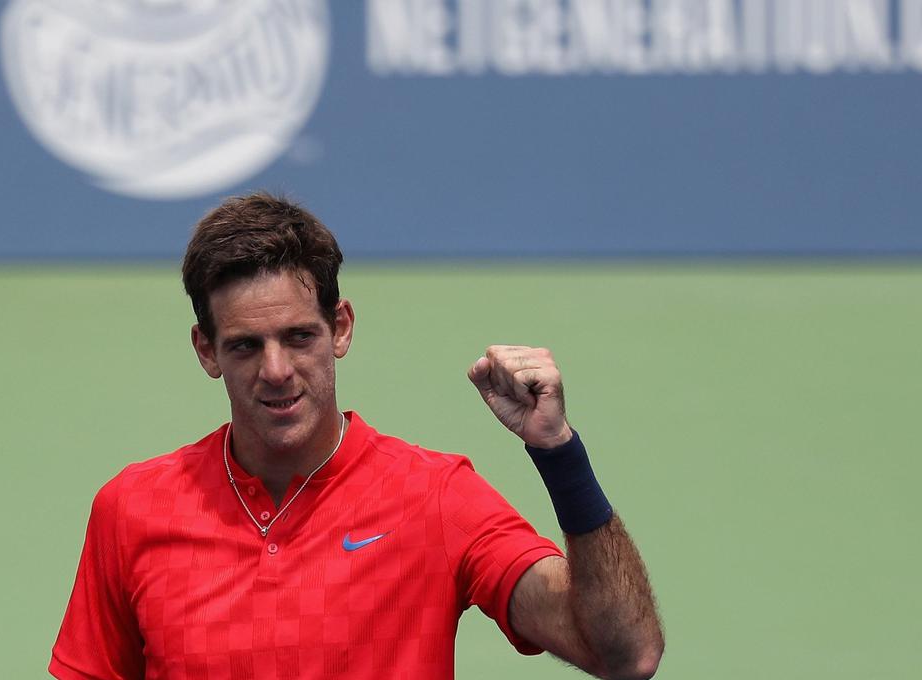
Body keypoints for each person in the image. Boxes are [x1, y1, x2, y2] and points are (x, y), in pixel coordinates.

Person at [49, 192, 664, 680]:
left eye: (298, 337)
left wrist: (559, 454)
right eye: (245, 346)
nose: (276, 371)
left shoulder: (437, 497)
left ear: (339, 328)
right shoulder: (132, 510)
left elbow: (625, 655)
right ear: (206, 350)